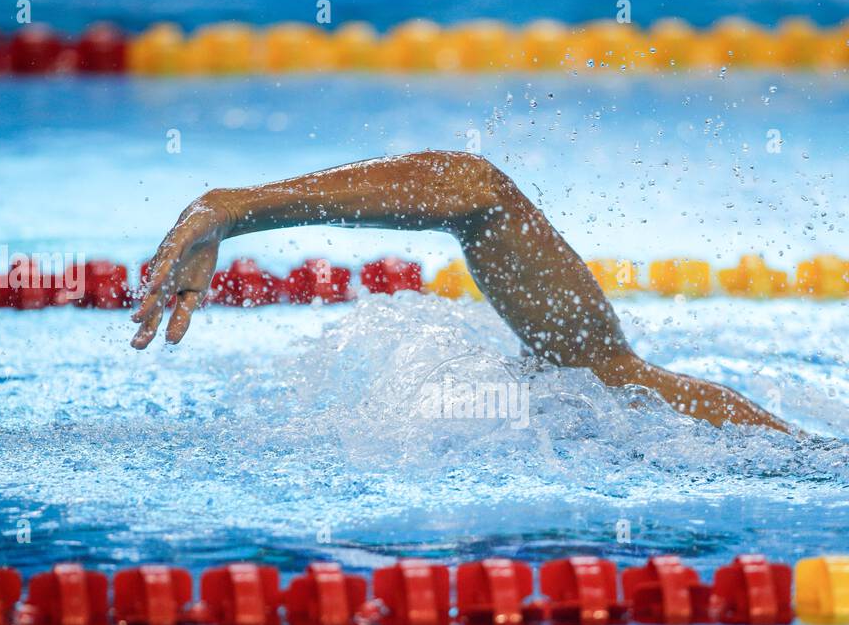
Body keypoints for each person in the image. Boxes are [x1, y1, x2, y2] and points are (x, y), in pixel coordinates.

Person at [132, 150, 789, 431]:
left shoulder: (604, 385)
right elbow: (479, 193)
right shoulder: (608, 382)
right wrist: (237, 207)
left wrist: (241, 207)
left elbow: (480, 194)